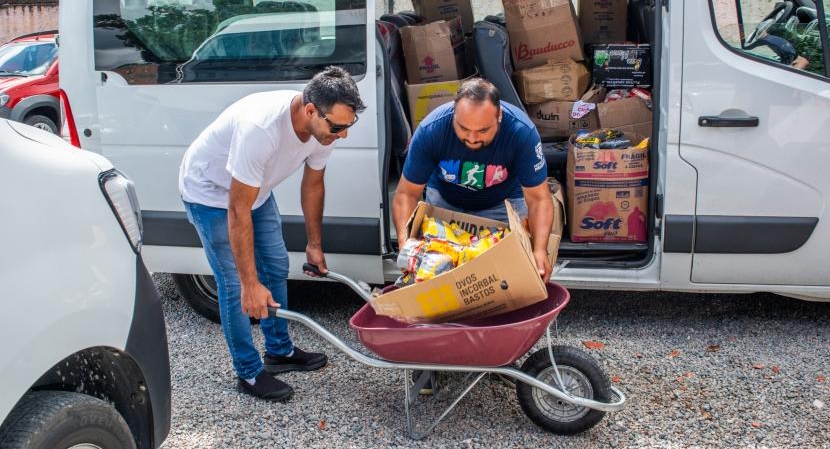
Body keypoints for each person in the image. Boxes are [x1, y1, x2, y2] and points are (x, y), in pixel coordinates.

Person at [179, 66, 365, 402]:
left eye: (348, 126)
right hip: (211, 194)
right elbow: (237, 210)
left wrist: (314, 245)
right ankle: (248, 372)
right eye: (338, 127)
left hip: (255, 192)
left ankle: (279, 352)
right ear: (311, 110)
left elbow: (313, 185)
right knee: (235, 283)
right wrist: (251, 284)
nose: (342, 135)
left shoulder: (323, 128)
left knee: (277, 265)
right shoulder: (261, 130)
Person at [391, 78, 555, 283]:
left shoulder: (521, 133)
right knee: (438, 274)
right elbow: (407, 193)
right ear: (454, 114)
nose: (472, 138)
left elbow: (539, 199)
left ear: (500, 116)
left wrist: (539, 250)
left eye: (483, 130)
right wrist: (406, 244)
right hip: (444, 201)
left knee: (502, 277)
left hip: (503, 204)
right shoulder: (431, 130)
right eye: (463, 128)